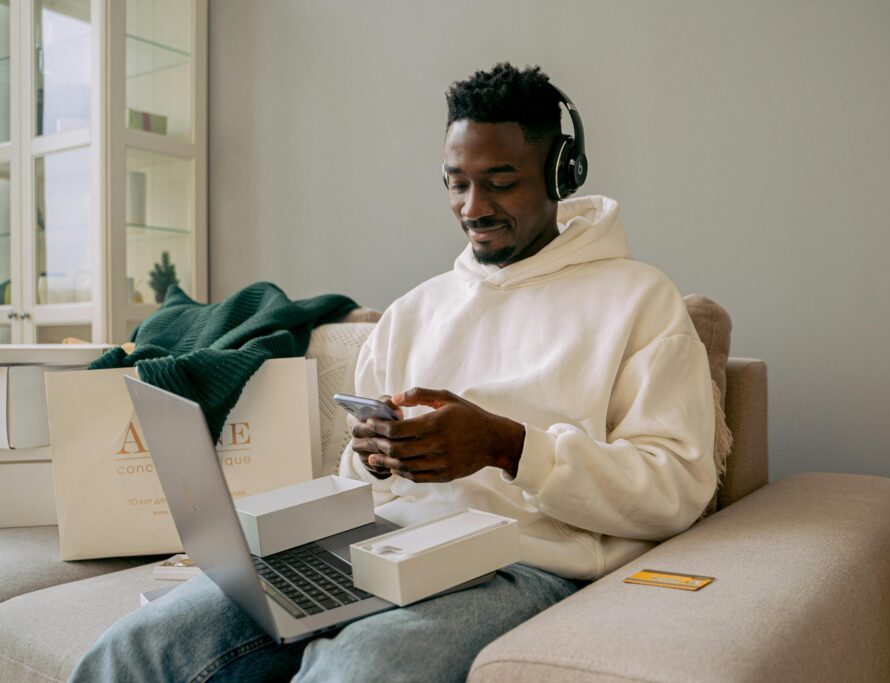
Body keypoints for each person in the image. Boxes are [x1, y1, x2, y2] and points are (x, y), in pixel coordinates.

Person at [70, 62, 716, 683]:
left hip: (521, 563)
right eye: (455, 182)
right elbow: (361, 486)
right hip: (378, 546)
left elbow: (677, 489)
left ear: (560, 173)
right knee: (137, 648)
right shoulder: (415, 310)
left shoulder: (638, 300)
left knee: (361, 669)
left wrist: (509, 445)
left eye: (499, 180)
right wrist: (376, 458)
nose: (473, 206)